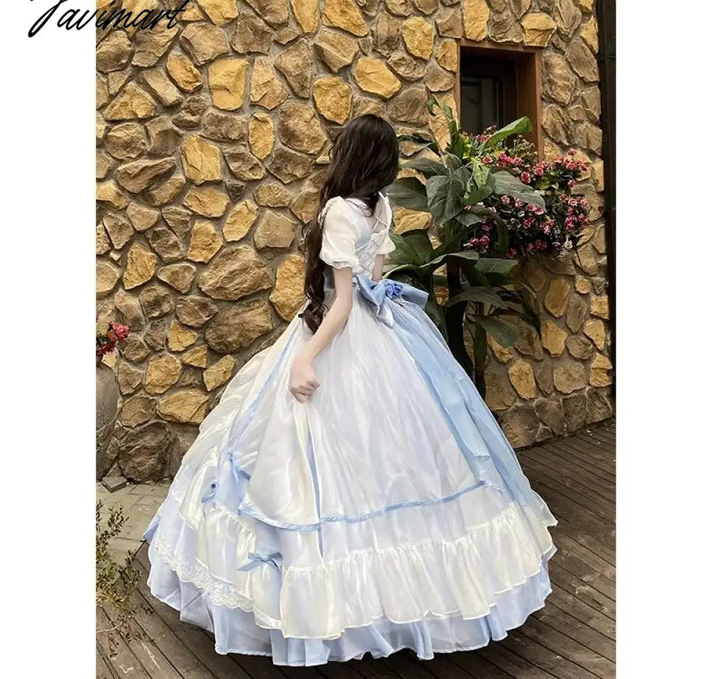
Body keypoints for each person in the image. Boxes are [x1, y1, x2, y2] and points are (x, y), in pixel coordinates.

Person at [144, 114, 557, 667]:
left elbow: (341, 303)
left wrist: (306, 357)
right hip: (383, 336)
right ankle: (404, 600)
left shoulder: (341, 209)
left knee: (317, 461)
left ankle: (332, 612)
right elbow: (375, 280)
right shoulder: (378, 206)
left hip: (341, 335)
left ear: (349, 154)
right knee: (396, 459)